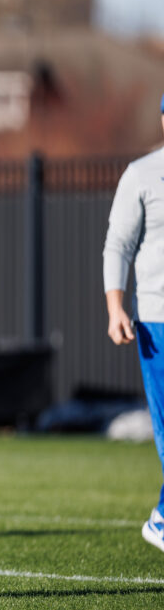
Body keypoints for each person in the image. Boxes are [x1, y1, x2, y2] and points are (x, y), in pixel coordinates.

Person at [103, 92, 164, 555]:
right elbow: (118, 245)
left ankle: (162, 517)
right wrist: (116, 307)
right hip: (157, 321)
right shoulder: (141, 174)